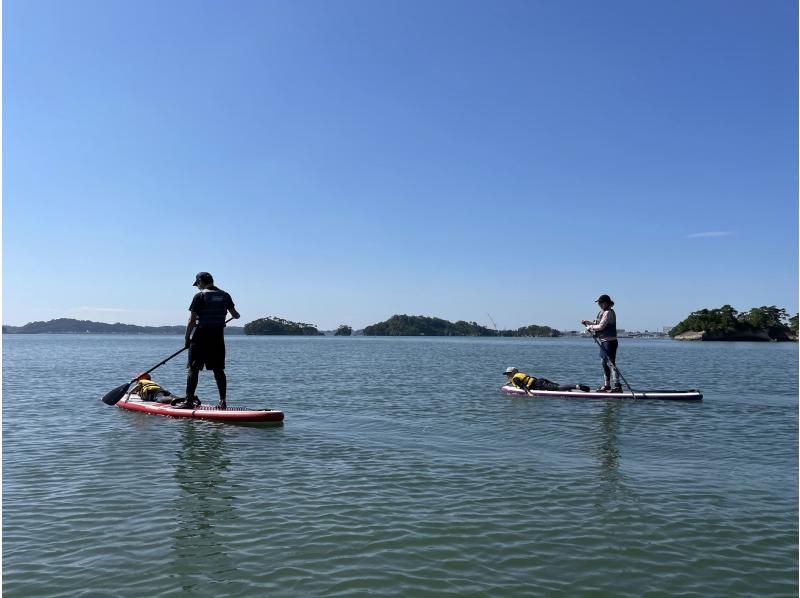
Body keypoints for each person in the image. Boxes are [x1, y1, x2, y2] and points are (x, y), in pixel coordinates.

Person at [183, 272, 240, 409]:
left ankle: (189, 401)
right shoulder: (225, 295)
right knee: (218, 370)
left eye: (198, 284)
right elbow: (236, 315)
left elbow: (192, 320)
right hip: (217, 338)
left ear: (201, 281)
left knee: (193, 369)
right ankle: (222, 401)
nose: (197, 287)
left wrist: (187, 338)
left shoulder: (200, 296)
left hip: (200, 337)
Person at [581, 294, 621, 393]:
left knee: (611, 363)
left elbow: (601, 326)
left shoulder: (608, 313)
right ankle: (607, 385)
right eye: (598, 303)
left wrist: (589, 327)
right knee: (603, 363)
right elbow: (598, 324)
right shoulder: (602, 312)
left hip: (610, 342)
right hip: (603, 341)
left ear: (606, 303)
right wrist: (589, 322)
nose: (599, 304)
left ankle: (617, 386)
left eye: (600, 302)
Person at [503, 367, 590, 393]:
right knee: (558, 387)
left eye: (508, 373)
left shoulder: (515, 378)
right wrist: (510, 382)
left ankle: (577, 386)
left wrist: (529, 393)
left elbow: (522, 385)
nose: (507, 375)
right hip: (540, 380)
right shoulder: (518, 375)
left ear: (513, 372)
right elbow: (520, 381)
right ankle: (570, 388)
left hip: (539, 385)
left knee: (558, 388)